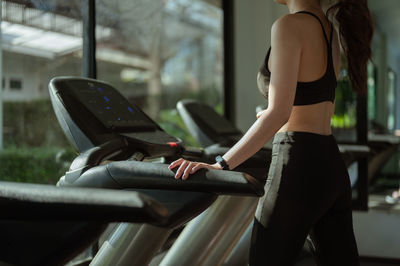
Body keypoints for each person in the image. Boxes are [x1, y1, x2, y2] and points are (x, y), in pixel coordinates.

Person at [169, 0, 373, 265]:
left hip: (297, 163)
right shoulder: (329, 30)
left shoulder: (289, 25)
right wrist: (272, 113)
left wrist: (221, 164)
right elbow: (308, 99)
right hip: (330, 163)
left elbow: (280, 112)